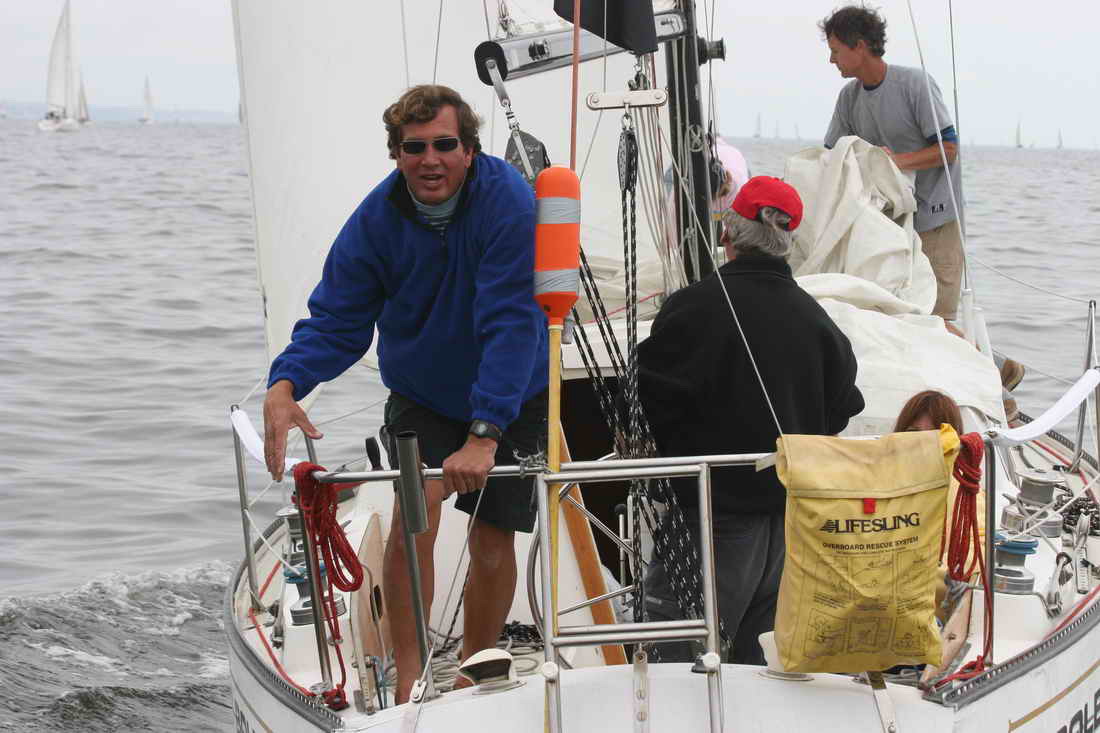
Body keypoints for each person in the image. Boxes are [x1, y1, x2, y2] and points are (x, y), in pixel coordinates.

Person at [261, 85, 548, 702]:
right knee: (415, 517)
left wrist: (485, 433)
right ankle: (411, 678)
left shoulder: (508, 204)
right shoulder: (377, 219)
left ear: (469, 150)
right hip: (423, 390)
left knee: (493, 533)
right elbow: (338, 319)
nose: (430, 160)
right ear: (396, 155)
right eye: (414, 148)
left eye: (444, 145)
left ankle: (474, 670)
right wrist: (285, 383)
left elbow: (511, 321)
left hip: (513, 390)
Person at [635, 176, 865, 664]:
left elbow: (645, 400)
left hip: (709, 524)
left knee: (675, 668)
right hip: (788, 532)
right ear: (788, 242)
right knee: (755, 669)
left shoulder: (691, 309)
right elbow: (844, 407)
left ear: (727, 233)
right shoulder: (817, 322)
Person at [820, 5, 1023, 414]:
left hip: (936, 221)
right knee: (900, 314)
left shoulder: (914, 84)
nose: (831, 60)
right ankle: (1000, 367)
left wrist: (894, 161)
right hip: (888, 229)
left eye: (836, 50)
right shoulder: (849, 98)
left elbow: (949, 149)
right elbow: (832, 155)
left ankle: (996, 391)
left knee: (934, 319)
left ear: (860, 46)